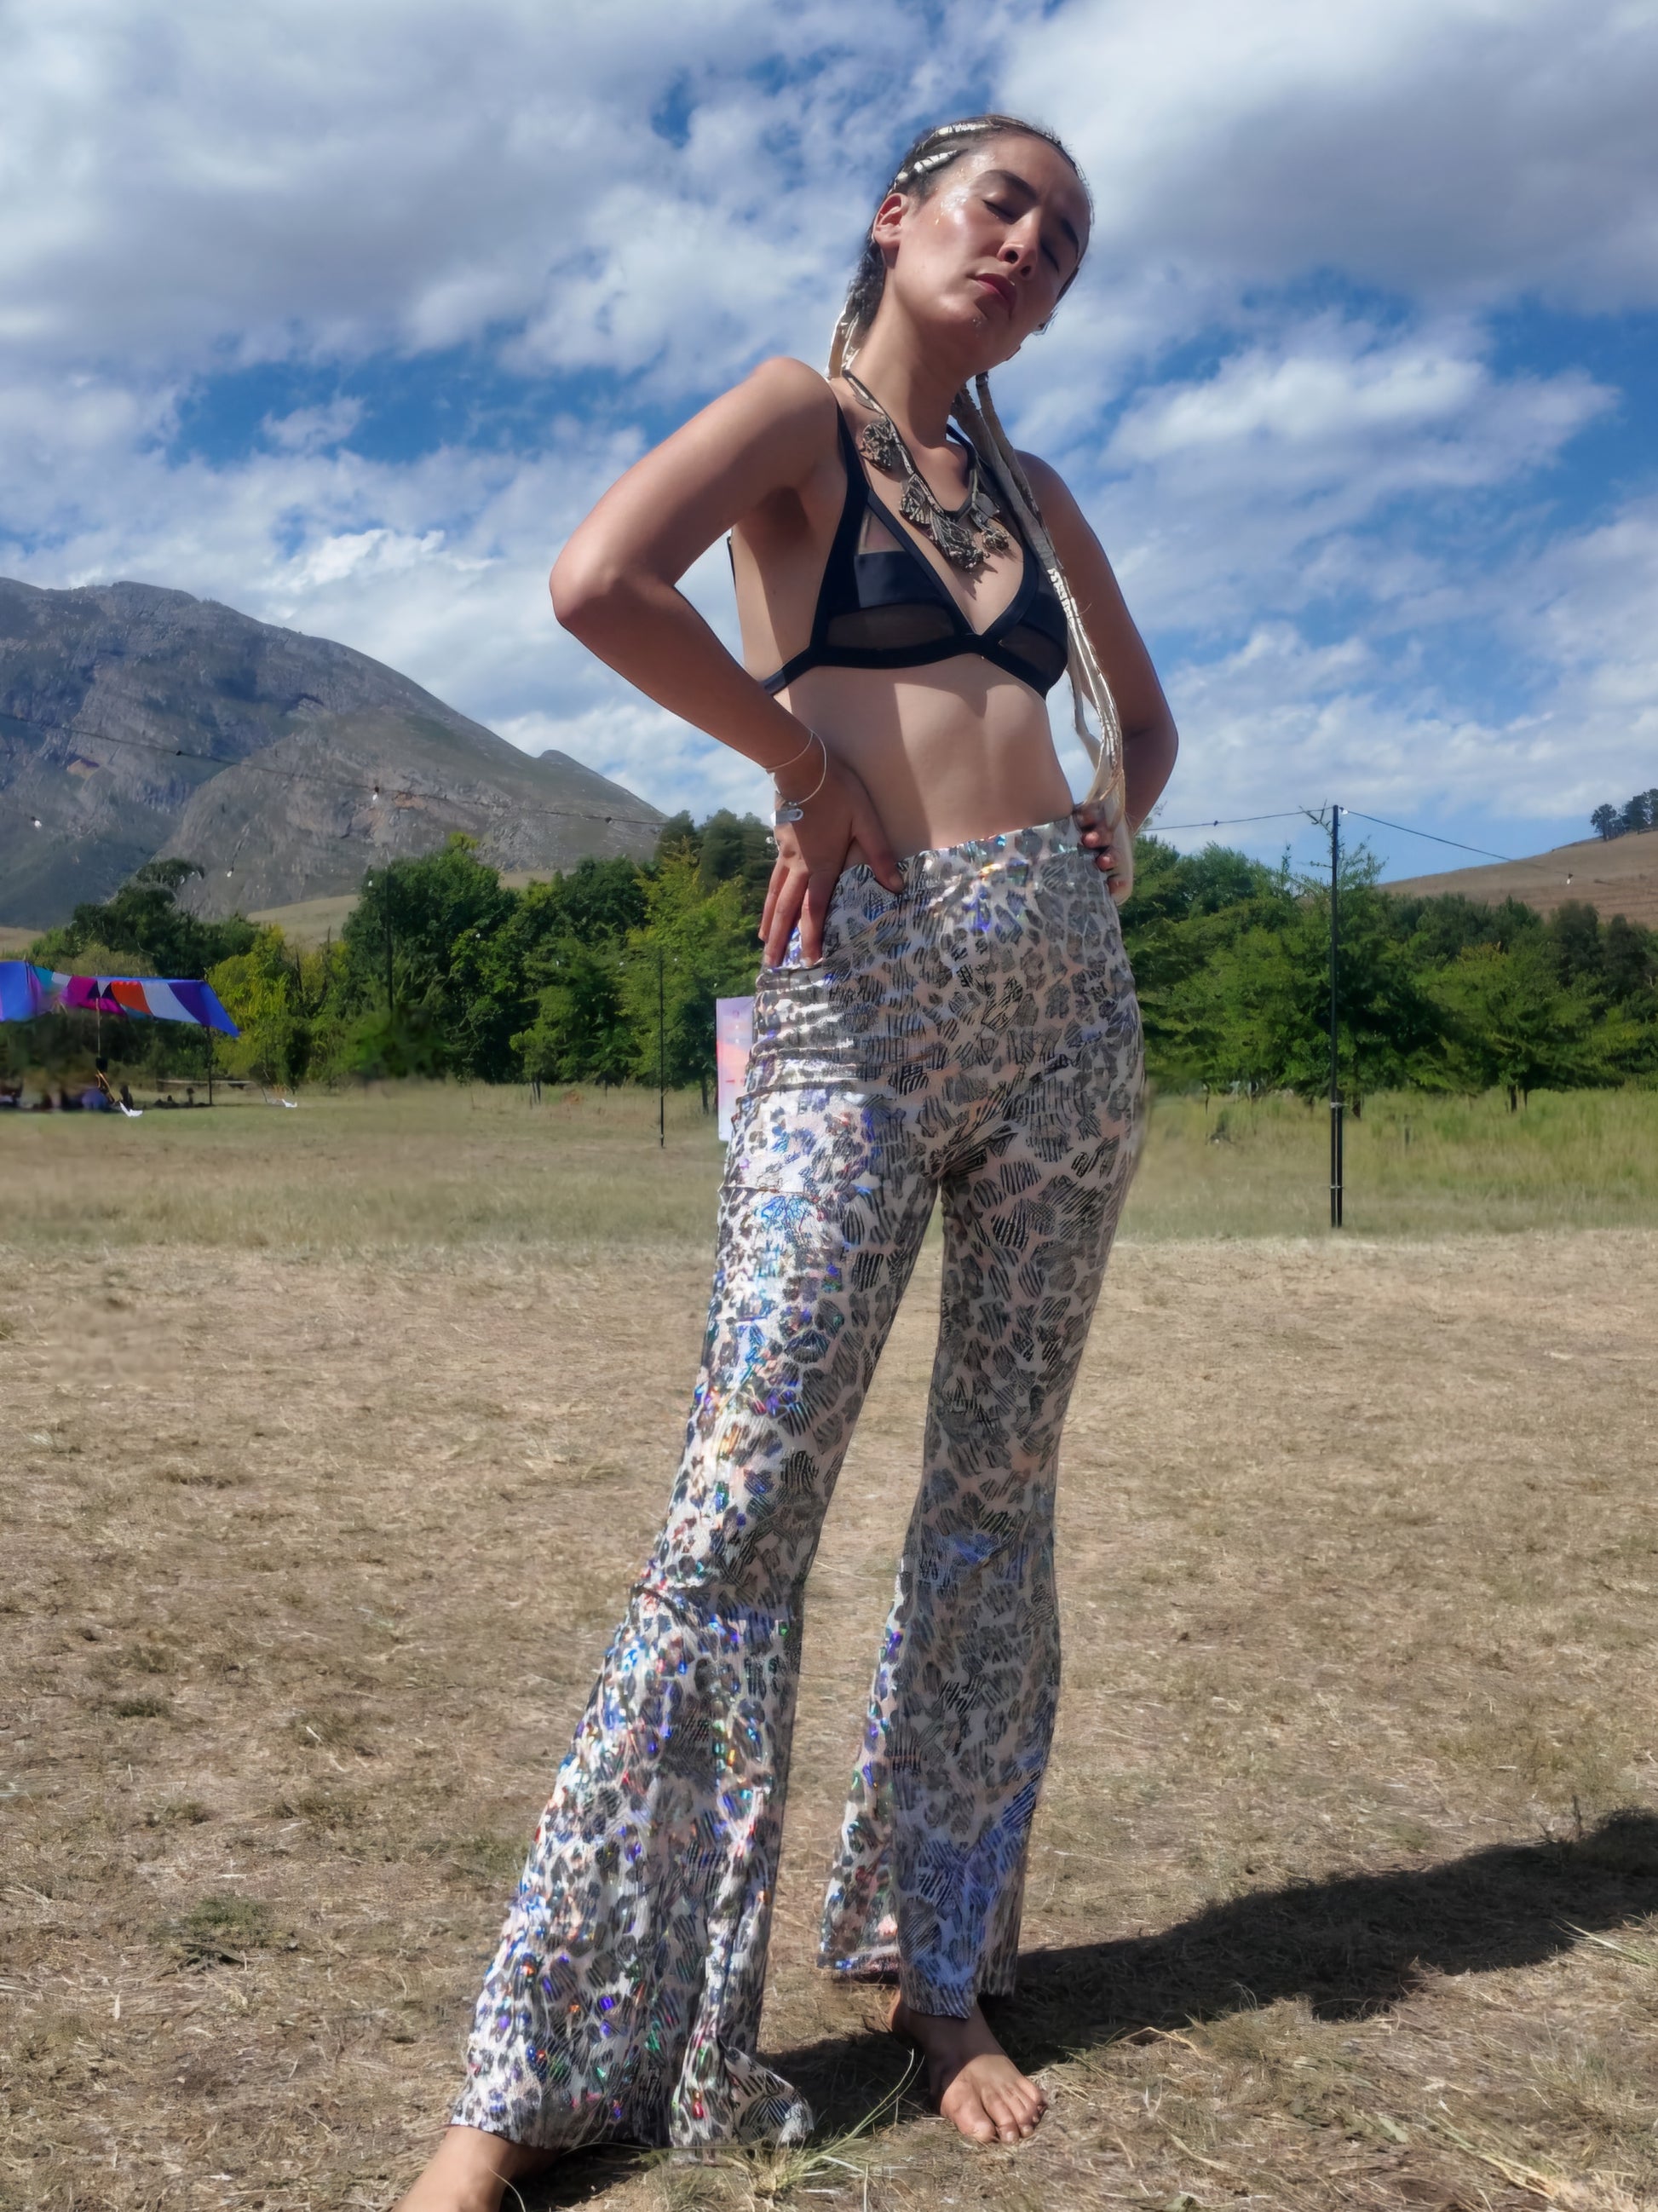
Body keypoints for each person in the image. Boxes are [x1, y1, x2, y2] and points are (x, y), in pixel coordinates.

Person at [395, 112, 1177, 2212]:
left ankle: (937, 1972)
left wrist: (1109, 829)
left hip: (1069, 1023)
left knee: (994, 1501)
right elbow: (597, 582)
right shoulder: (792, 418)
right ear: (899, 214)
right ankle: (535, 2079)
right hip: (856, 1004)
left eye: (1065, 241)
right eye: (1003, 204)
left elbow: (1144, 725)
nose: (1029, 249)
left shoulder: (1039, 494)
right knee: (732, 1515)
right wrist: (800, 765)